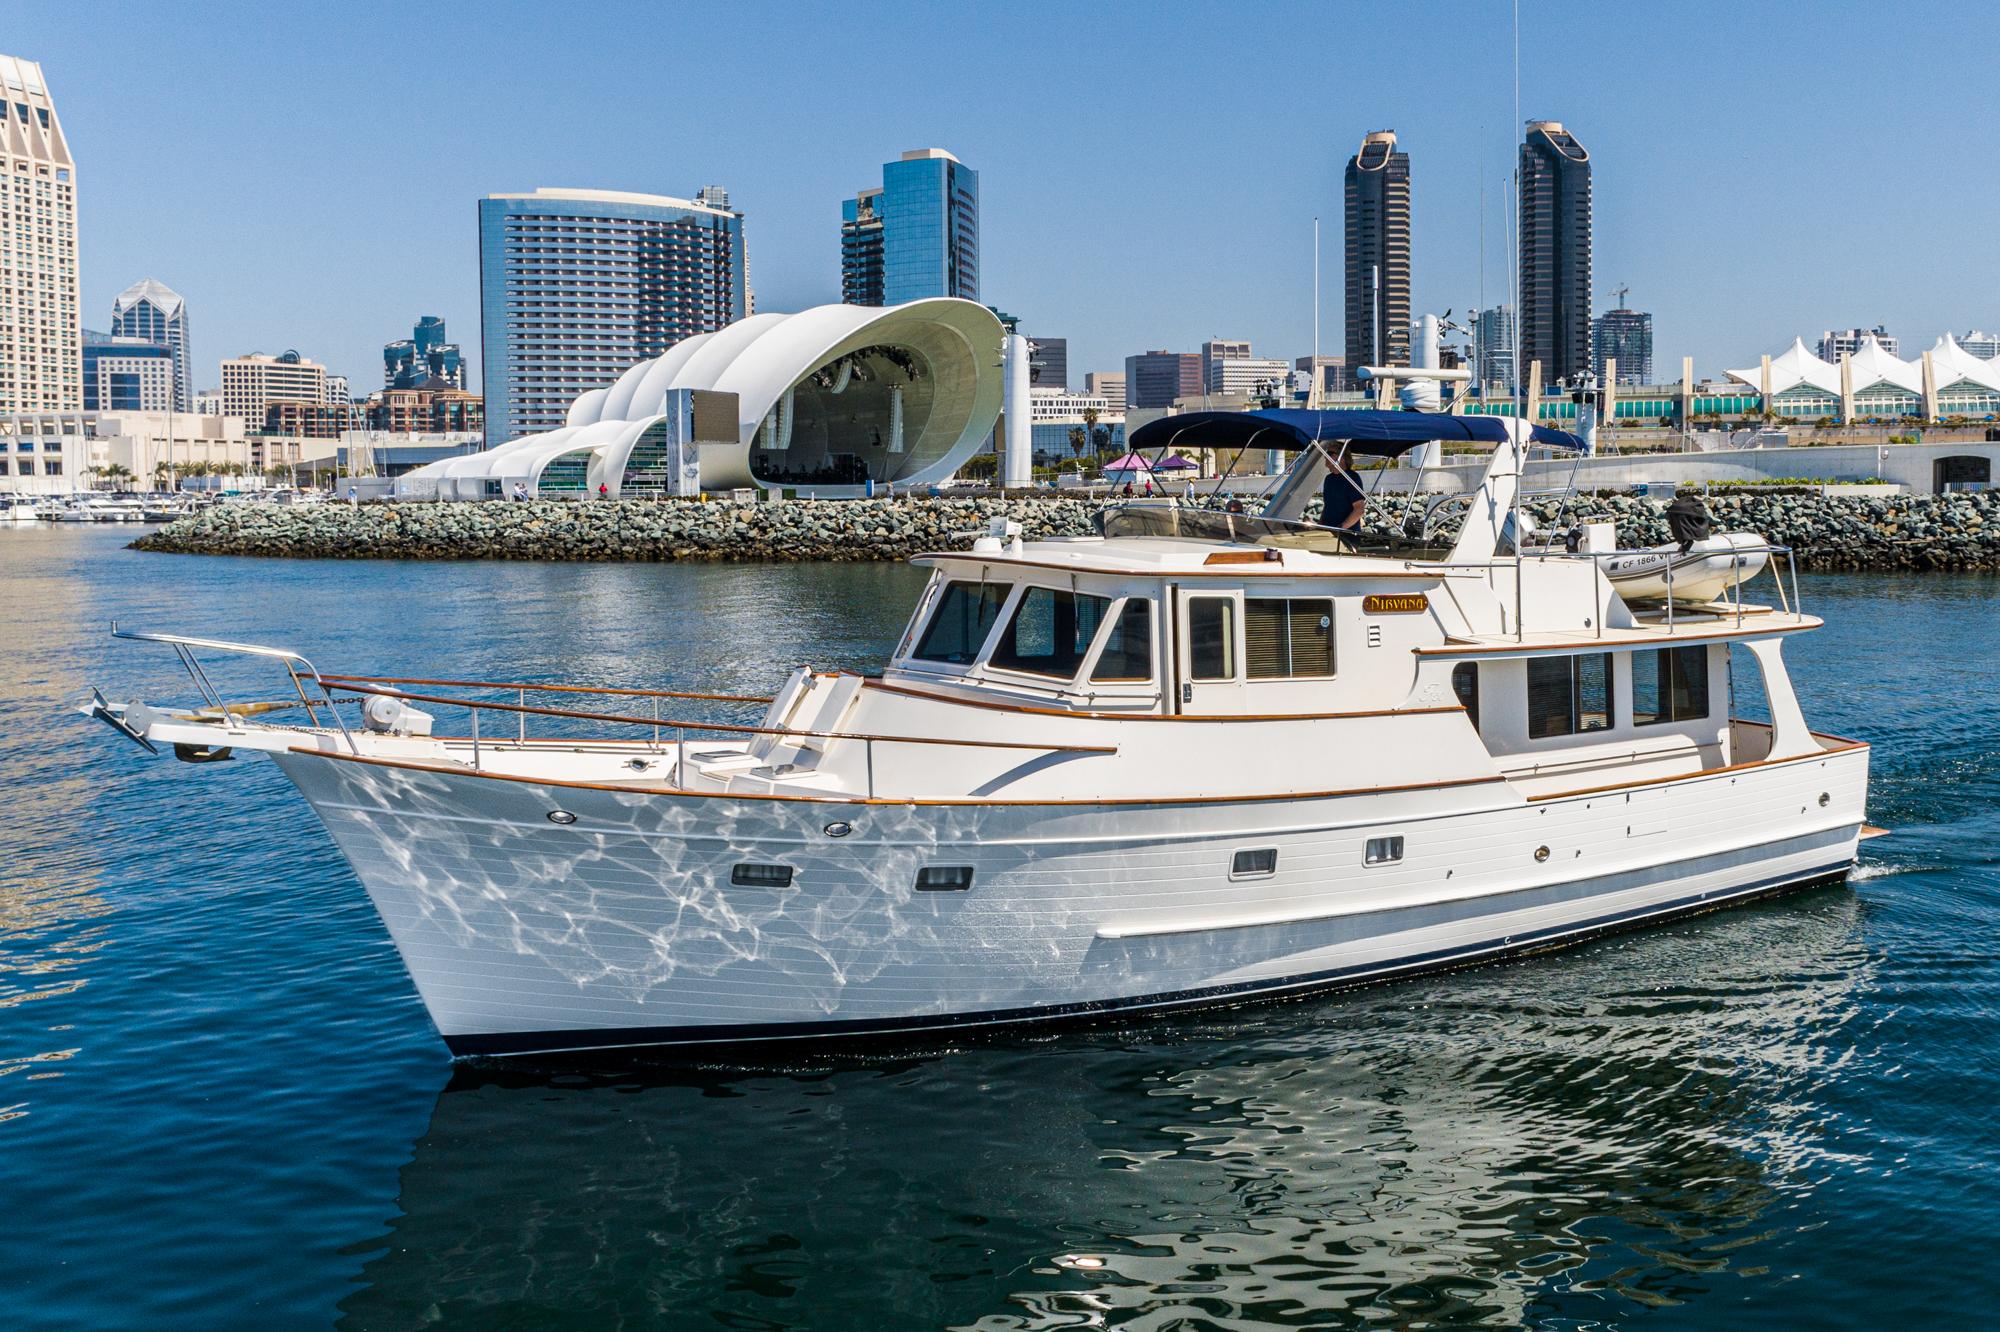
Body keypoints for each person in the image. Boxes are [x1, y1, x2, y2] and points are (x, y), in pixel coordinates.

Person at [1319, 444, 1366, 531]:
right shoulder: (1328, 479)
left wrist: (1340, 528)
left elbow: (1359, 509)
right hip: (1328, 532)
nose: (1325, 456)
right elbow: (1328, 506)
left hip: (1346, 535)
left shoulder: (1352, 478)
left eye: (1329, 453)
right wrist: (1320, 526)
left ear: (1341, 456)